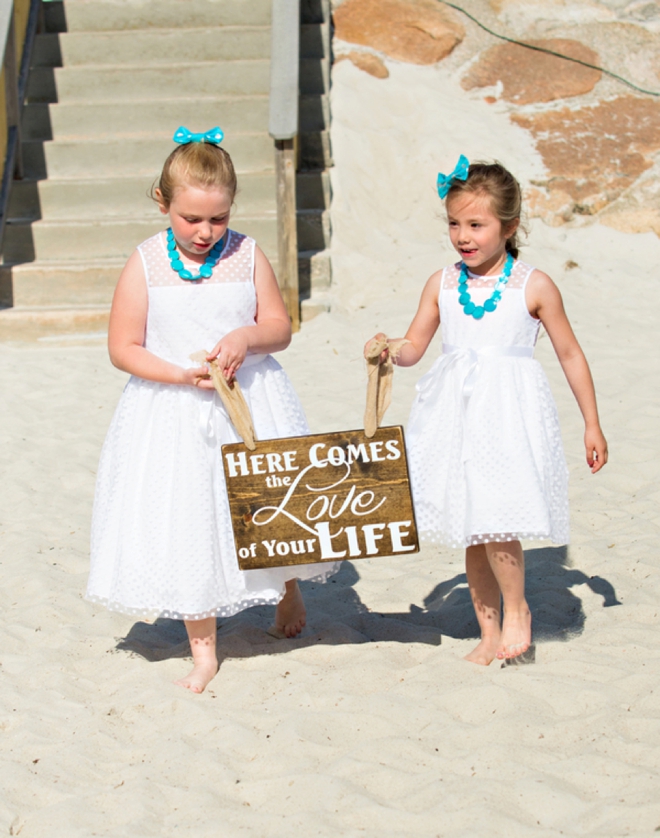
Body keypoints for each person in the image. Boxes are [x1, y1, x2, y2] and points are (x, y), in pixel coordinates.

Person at [87, 126, 338, 693]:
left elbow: (281, 327)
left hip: (248, 401)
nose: (205, 232)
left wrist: (246, 338)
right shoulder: (146, 262)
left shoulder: (247, 253)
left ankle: (286, 586)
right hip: (174, 408)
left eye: (217, 219)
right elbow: (122, 346)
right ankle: (204, 648)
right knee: (190, 521)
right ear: (163, 203)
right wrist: (180, 373)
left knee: (268, 506)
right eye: (191, 219)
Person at [366, 156, 607, 666]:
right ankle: (489, 631)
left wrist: (591, 422)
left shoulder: (534, 285)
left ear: (510, 226)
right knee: (471, 527)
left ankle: (517, 610)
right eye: (454, 223)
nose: (462, 235)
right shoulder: (442, 283)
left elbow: (570, 353)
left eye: (476, 225)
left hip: (508, 415)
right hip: (455, 416)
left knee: (499, 519)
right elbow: (415, 348)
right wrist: (390, 346)